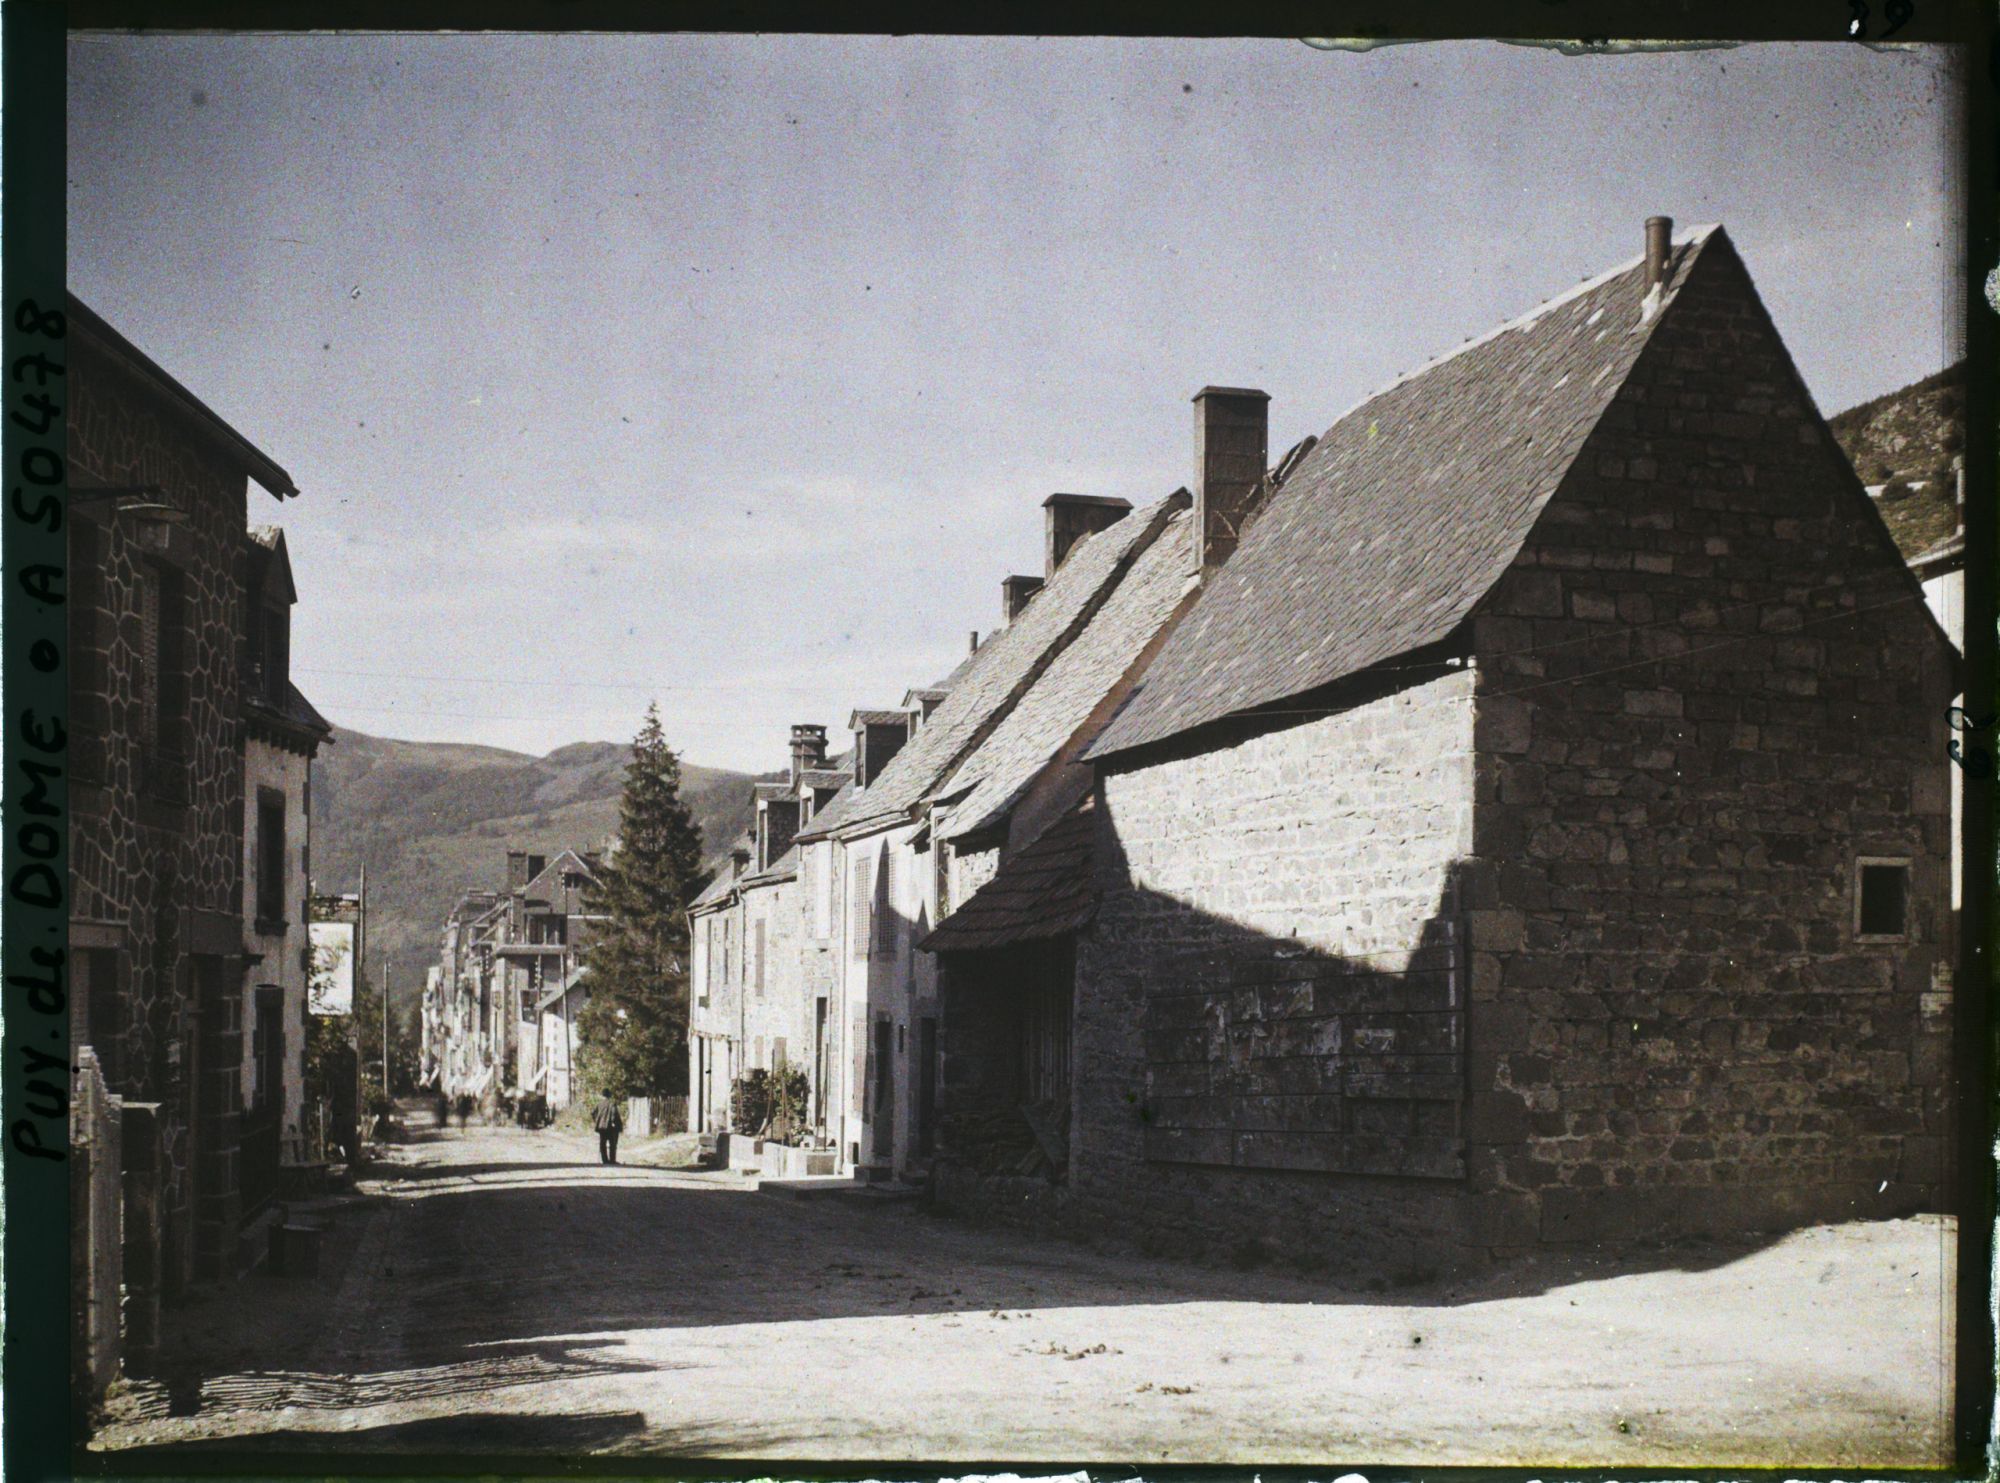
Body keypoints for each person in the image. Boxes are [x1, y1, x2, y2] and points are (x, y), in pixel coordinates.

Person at [591, 1090, 623, 1165]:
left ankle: (604, 1160)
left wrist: (596, 1120)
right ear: (610, 1095)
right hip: (610, 1127)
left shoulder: (599, 1104)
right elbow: (614, 1113)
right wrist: (613, 1122)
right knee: (612, 1144)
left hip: (601, 1127)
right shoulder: (612, 1104)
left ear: (602, 1095)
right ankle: (612, 1160)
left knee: (602, 1143)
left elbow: (593, 1113)